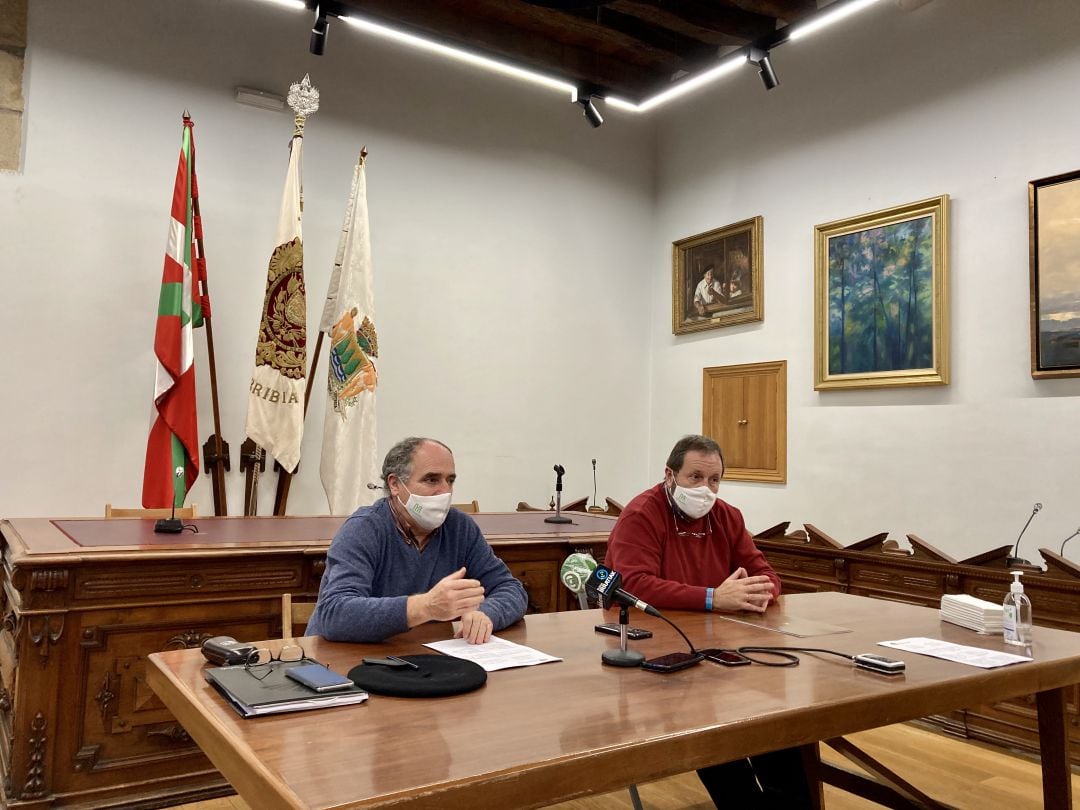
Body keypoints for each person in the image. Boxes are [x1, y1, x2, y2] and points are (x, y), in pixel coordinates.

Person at [604, 434, 812, 810]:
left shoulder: (727, 516)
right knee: (716, 734)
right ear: (670, 475)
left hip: (724, 648)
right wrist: (714, 598)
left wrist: (760, 592)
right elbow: (633, 583)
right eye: (695, 477)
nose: (705, 488)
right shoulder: (641, 514)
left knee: (776, 724)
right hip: (658, 652)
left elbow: (765, 573)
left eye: (714, 479)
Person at [306, 437, 528, 644]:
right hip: (343, 661)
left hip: (421, 658)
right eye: (431, 480)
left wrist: (486, 614)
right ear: (395, 485)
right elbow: (335, 614)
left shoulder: (459, 527)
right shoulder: (363, 529)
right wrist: (426, 606)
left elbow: (511, 589)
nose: (445, 492)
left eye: (450, 481)